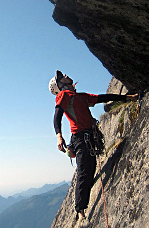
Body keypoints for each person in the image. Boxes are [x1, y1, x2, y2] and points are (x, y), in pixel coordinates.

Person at [49, 70, 138, 220]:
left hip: (88, 137)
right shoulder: (63, 96)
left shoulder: (81, 97)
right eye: (61, 77)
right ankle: (80, 211)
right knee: (84, 172)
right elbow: (57, 116)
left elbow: (103, 97)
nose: (65, 75)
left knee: (90, 171)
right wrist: (59, 136)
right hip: (80, 139)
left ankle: (82, 206)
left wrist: (126, 97)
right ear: (60, 85)